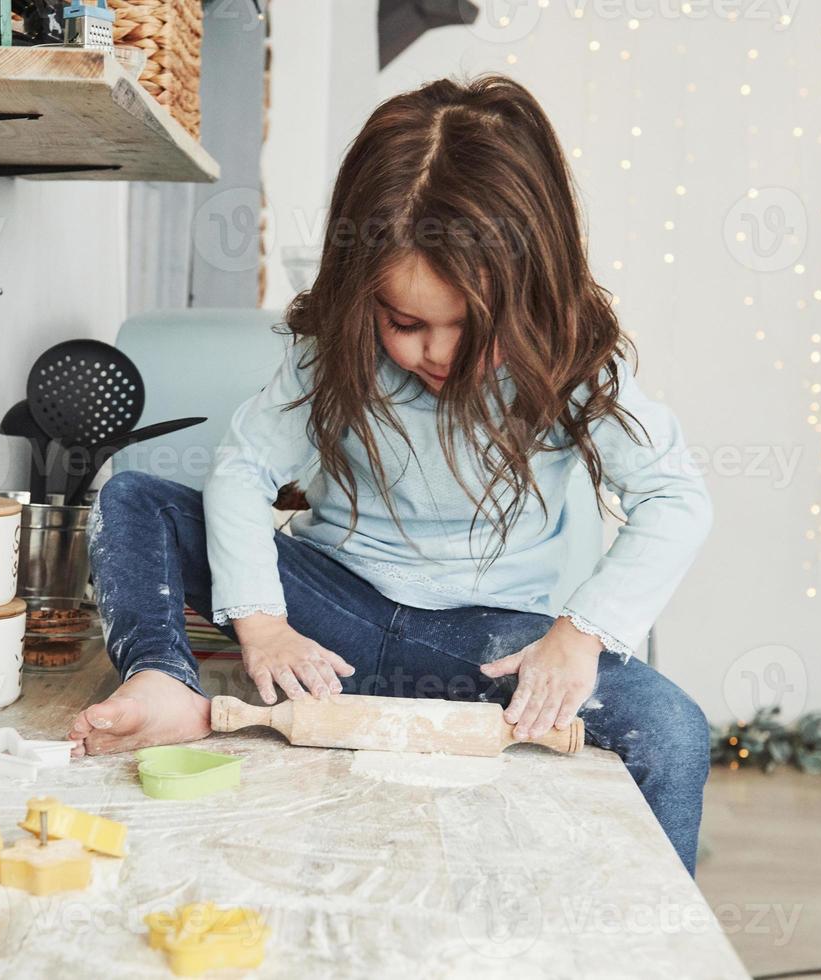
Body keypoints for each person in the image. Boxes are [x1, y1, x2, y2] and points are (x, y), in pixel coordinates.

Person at [67, 74, 714, 875]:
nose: (437, 354)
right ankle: (164, 681)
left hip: (483, 646)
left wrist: (576, 640)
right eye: (405, 323)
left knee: (674, 731)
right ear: (359, 293)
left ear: (528, 291)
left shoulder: (574, 366)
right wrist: (262, 623)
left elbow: (676, 499)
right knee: (136, 498)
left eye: (468, 327)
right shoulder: (330, 354)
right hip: (333, 619)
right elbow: (241, 474)